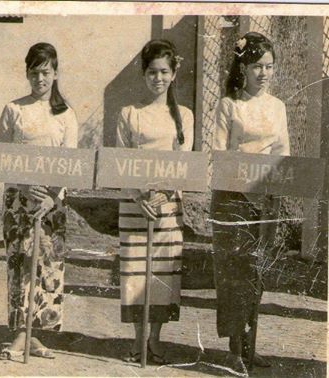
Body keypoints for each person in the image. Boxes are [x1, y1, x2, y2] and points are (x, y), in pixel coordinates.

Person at [0, 42, 78, 361]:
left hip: (52, 204)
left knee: (47, 267)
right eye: (34, 72)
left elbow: (71, 164)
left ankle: (37, 336)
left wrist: (53, 197)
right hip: (19, 199)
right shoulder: (14, 109)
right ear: (26, 73)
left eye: (45, 72)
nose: (39, 79)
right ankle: (19, 335)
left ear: (55, 73)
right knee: (20, 266)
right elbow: (2, 159)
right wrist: (26, 188)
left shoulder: (65, 114)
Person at [211, 32, 288, 371]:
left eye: (269, 67)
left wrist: (271, 191)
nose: (264, 73)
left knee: (257, 273)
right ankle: (233, 348)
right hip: (233, 198)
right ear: (243, 67)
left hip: (266, 201)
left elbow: (282, 154)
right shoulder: (230, 104)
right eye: (257, 66)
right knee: (234, 273)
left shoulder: (278, 107)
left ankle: (250, 344)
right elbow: (221, 153)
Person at [116, 39, 194, 364]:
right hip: (136, 206)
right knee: (135, 273)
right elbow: (121, 161)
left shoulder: (184, 116)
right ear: (143, 74)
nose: (157, 78)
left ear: (174, 73)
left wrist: (162, 195)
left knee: (162, 273)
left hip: (168, 208)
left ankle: (156, 339)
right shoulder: (129, 114)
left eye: (164, 71)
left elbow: (184, 162)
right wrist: (137, 196)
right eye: (151, 72)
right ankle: (136, 340)